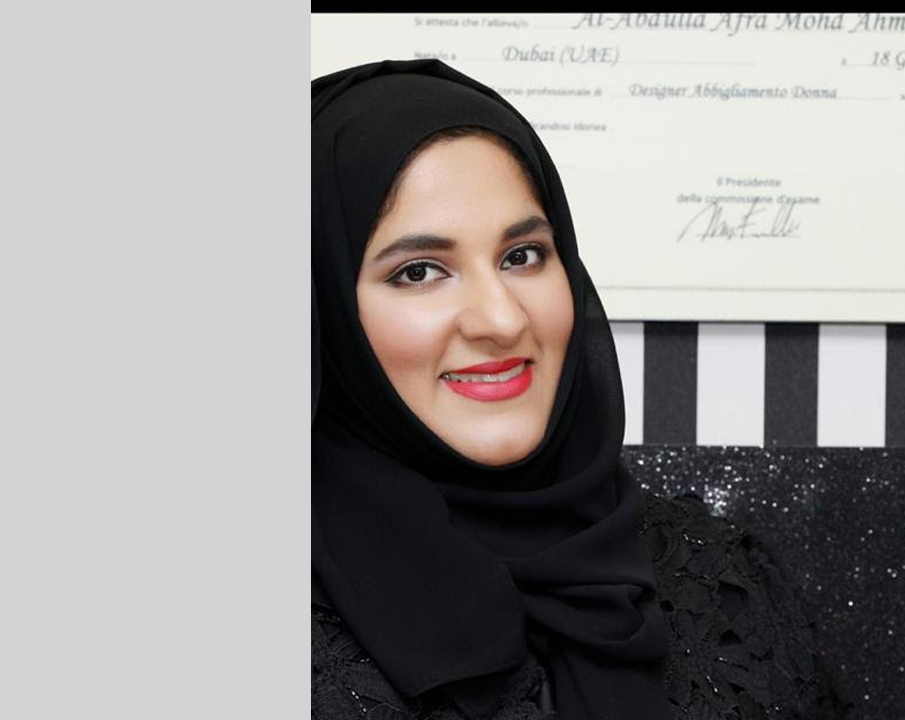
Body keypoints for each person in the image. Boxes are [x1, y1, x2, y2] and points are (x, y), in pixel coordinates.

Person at [312, 59, 849, 720]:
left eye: (522, 256)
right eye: (420, 271)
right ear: (322, 308)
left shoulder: (719, 579)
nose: (503, 319)